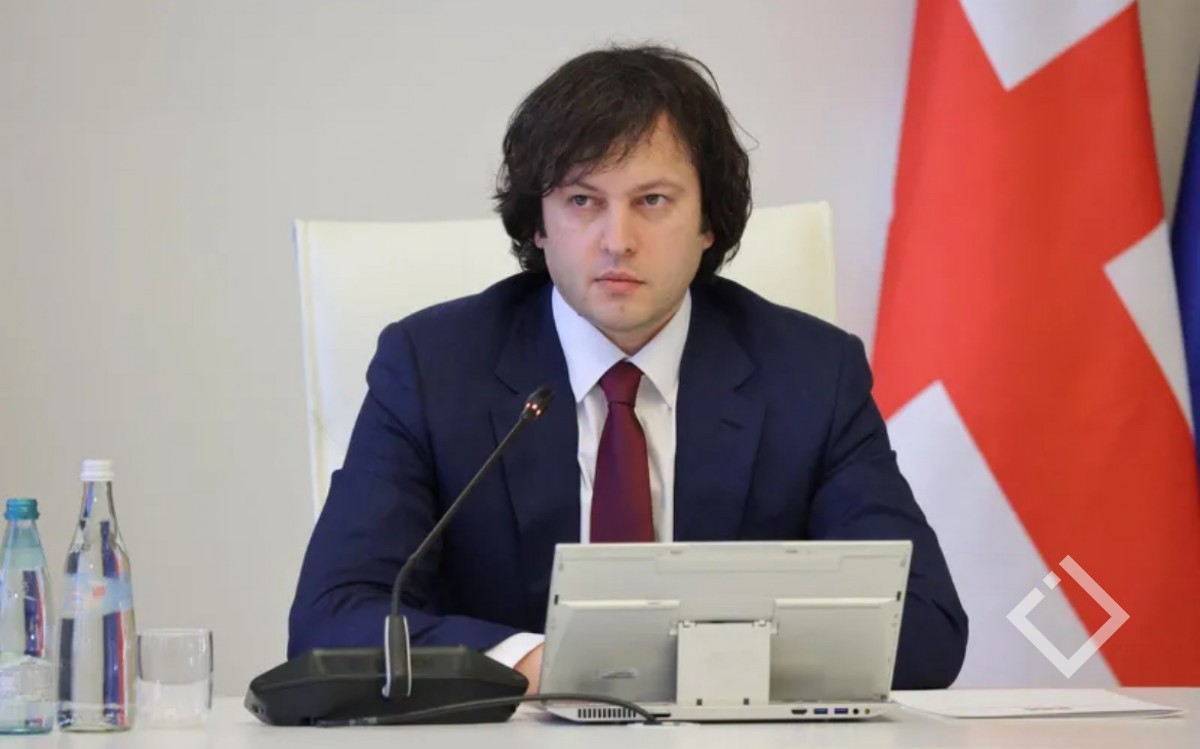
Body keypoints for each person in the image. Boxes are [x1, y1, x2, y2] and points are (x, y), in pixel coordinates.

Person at [287, 44, 968, 692]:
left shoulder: (812, 375)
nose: (618, 240)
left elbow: (924, 628)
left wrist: (690, 668)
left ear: (709, 223)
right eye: (583, 201)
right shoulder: (432, 368)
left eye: (653, 201)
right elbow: (332, 620)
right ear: (539, 225)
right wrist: (546, 665)